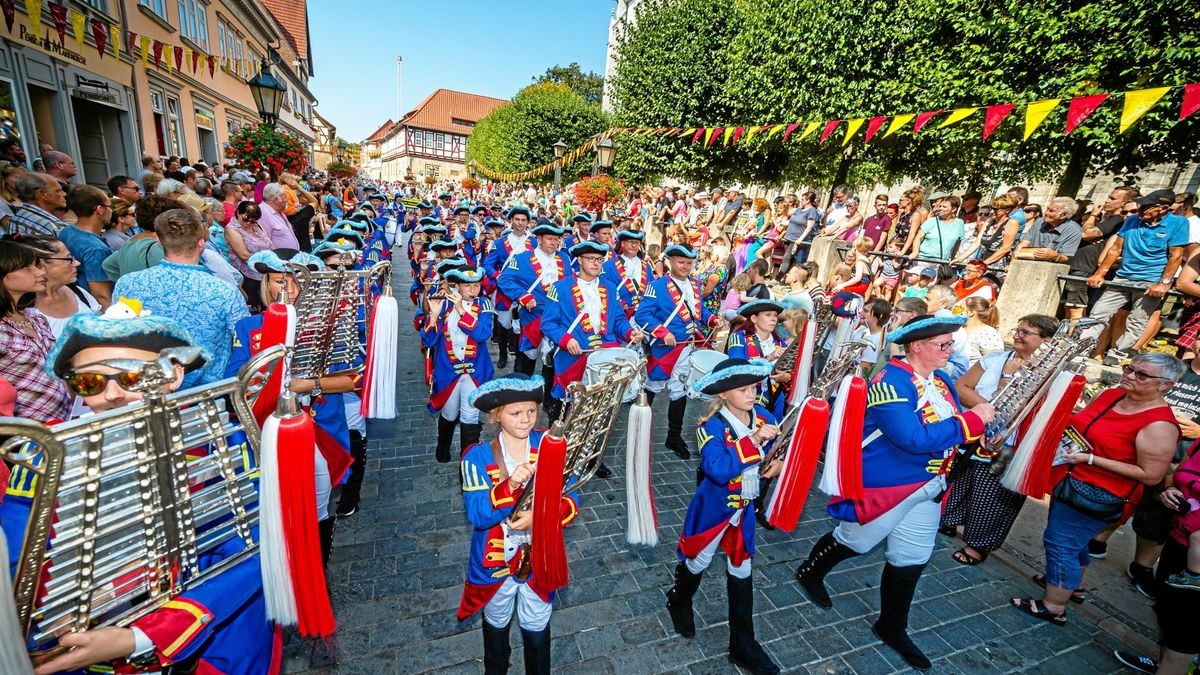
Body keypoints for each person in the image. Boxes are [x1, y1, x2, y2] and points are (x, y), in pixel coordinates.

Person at [2, 303, 277, 673]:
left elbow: (255, 550)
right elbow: (20, 556)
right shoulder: (45, 455)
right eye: (90, 382)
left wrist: (142, 635)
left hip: (206, 639)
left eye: (132, 377)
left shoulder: (219, 443)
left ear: (174, 375)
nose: (112, 394)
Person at [794, 314, 994, 669]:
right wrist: (973, 420)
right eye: (943, 344)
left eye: (950, 343)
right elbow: (912, 439)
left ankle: (891, 625)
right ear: (917, 346)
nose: (951, 349)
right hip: (889, 486)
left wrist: (977, 438)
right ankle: (810, 571)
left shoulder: (942, 379)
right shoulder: (890, 383)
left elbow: (950, 430)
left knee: (912, 558)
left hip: (929, 486)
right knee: (855, 542)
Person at [1010, 353, 1180, 630]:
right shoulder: (1113, 395)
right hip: (1071, 480)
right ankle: (1071, 585)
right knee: (1071, 542)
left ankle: (1054, 605)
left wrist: (1091, 460)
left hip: (1099, 493)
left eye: (1141, 375)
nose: (1129, 375)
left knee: (1060, 544)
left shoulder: (1159, 425)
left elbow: (1151, 476)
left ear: (1165, 385)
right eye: (1130, 368)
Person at [226, 249, 354, 561]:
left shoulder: (330, 324)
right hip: (267, 434)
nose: (290, 290)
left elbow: (355, 379)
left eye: (297, 282)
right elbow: (234, 385)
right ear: (266, 284)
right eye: (279, 282)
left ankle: (317, 574)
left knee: (319, 510)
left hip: (319, 428)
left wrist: (305, 385)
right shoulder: (248, 328)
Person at [663, 357, 782, 675]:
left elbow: (779, 448)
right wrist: (754, 441)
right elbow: (716, 469)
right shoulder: (710, 426)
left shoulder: (765, 415)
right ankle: (678, 598)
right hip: (715, 508)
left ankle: (743, 645)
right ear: (724, 395)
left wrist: (777, 463)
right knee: (698, 561)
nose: (751, 394)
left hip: (744, 511)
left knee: (742, 569)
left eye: (754, 387)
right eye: (742, 389)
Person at [457, 375, 579, 675]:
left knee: (537, 622)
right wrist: (510, 485)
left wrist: (541, 518)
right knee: (496, 620)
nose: (525, 420)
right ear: (496, 416)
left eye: (531, 411)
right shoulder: (477, 457)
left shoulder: (551, 446)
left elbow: (572, 501)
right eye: (515, 413)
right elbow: (478, 514)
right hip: (495, 563)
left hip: (540, 558)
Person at [941, 314, 1057, 565]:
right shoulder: (994, 359)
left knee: (992, 494)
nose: (1017, 335)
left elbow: (1028, 411)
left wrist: (999, 395)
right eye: (1018, 329)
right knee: (959, 478)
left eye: (1026, 332)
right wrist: (991, 409)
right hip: (974, 431)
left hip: (1010, 443)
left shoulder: (1052, 376)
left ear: (1046, 341)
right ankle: (948, 520)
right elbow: (961, 388)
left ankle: (978, 544)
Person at [112, 208, 249, 387]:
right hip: (208, 395)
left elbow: (117, 336)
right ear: (201, 244)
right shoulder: (225, 291)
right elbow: (245, 338)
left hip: (148, 390)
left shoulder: (127, 284)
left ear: (158, 241)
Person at [636, 244, 724, 459]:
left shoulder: (695, 285)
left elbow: (698, 310)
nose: (685, 266)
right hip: (664, 350)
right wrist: (661, 331)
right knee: (652, 388)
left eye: (689, 263)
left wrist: (712, 319)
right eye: (681, 262)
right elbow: (642, 315)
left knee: (680, 390)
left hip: (687, 346)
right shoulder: (656, 286)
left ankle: (673, 436)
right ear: (670, 262)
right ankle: (639, 433)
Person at [1084, 190, 1189, 364]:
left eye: (1145, 207)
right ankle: (1083, 345)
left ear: (1163, 208)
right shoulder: (1133, 220)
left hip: (1151, 279)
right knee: (1099, 311)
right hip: (1123, 276)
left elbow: (1176, 255)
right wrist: (1100, 273)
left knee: (1138, 319)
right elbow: (1115, 249)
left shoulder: (1178, 223)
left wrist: (1163, 284)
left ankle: (1118, 355)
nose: (1140, 210)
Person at [542, 241, 641, 422]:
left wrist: (629, 333)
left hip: (604, 355)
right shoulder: (560, 288)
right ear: (579, 260)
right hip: (573, 355)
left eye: (599, 260)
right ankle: (558, 444)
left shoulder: (610, 287)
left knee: (598, 409)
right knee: (563, 407)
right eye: (591, 259)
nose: (596, 263)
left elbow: (618, 319)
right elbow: (548, 324)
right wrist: (566, 340)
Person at [422, 265, 494, 463]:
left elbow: (482, 335)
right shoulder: (443, 304)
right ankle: (442, 445)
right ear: (457, 286)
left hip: (475, 372)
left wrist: (462, 310)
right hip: (448, 372)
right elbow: (428, 342)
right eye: (467, 285)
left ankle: (468, 462)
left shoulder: (484, 304)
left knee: (470, 416)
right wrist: (434, 315)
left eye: (477, 285)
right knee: (449, 412)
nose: (473, 290)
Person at [0, 238, 73, 421]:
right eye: (28, 268)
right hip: (25, 435)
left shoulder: (35, 317)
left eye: (38, 265)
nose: (41, 272)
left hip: (63, 421)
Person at [496, 220, 573, 379]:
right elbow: (504, 280)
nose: (554, 243)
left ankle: (549, 400)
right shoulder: (522, 258)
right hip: (533, 316)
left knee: (552, 357)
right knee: (528, 356)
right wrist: (523, 296)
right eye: (549, 239)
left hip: (557, 317)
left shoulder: (564, 258)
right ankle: (523, 392)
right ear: (539, 239)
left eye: (556, 239)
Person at [19, 233, 100, 338]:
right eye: (69, 259)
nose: (77, 263)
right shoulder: (22, 313)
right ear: (40, 265)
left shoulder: (78, 293)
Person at [726, 300, 789, 420]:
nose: (773, 319)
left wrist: (786, 377)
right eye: (768, 315)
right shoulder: (739, 338)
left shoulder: (780, 342)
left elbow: (792, 369)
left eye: (775, 315)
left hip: (776, 397)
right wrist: (769, 357)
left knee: (774, 432)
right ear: (754, 318)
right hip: (748, 397)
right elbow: (736, 368)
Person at [59, 185, 114, 308]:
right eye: (110, 207)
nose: (112, 211)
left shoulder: (66, 231)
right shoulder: (96, 249)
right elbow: (102, 296)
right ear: (99, 209)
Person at [224, 200, 275, 304]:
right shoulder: (232, 229)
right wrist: (268, 259)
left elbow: (269, 243)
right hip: (249, 276)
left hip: (265, 273)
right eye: (245, 219)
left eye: (252, 221)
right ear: (238, 213)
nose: (248, 223)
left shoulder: (256, 225)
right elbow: (243, 255)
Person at [601, 229, 655, 319]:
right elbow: (603, 290)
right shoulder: (608, 266)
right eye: (630, 242)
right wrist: (619, 303)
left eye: (636, 242)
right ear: (622, 244)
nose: (633, 245)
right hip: (619, 316)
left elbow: (651, 289)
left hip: (642, 316)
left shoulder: (647, 266)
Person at [1015, 196, 1082, 263]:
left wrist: (1055, 256)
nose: (1046, 213)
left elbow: (1066, 258)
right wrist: (1013, 262)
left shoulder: (1074, 231)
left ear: (1063, 215)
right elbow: (1023, 244)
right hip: (1026, 263)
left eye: (1051, 211)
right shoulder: (1039, 222)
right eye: (1047, 209)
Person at [910, 195, 964, 261]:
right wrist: (915, 252)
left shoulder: (959, 223)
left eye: (944, 207)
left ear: (953, 209)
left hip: (943, 263)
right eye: (940, 206)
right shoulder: (931, 221)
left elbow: (957, 243)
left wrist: (953, 258)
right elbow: (918, 237)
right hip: (923, 259)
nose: (940, 208)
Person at [962, 297, 1004, 363]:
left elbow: (994, 364)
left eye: (960, 308)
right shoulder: (957, 329)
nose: (955, 312)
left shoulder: (989, 333)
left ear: (971, 312)